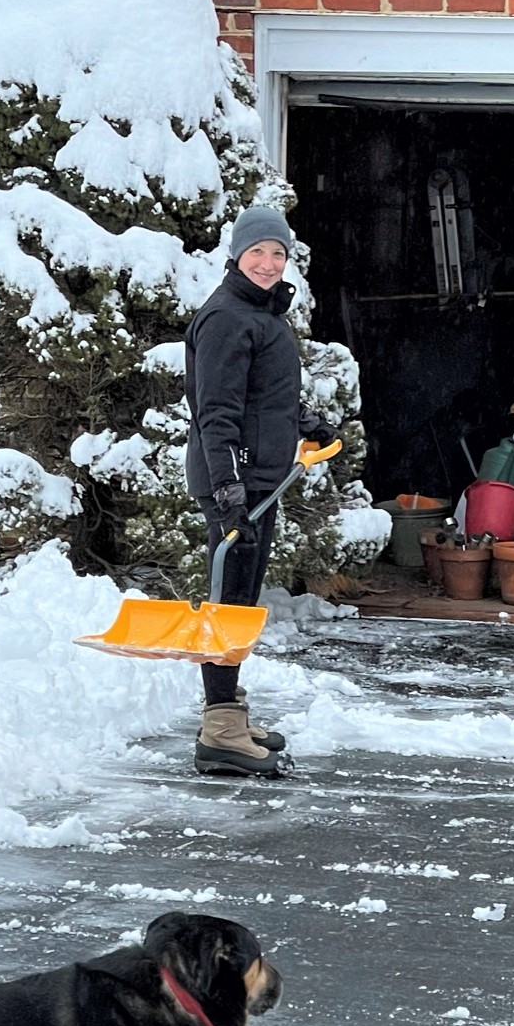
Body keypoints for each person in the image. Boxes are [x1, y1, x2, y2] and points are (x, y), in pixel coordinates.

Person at [184, 204, 334, 776]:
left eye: (278, 253)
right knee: (228, 602)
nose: (270, 263)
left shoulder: (262, 314)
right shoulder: (227, 317)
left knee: (241, 602)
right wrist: (227, 488)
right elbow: (215, 412)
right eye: (258, 253)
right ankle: (220, 730)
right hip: (236, 483)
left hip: (257, 481)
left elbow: (259, 395)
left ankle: (229, 714)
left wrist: (301, 420)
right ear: (236, 256)